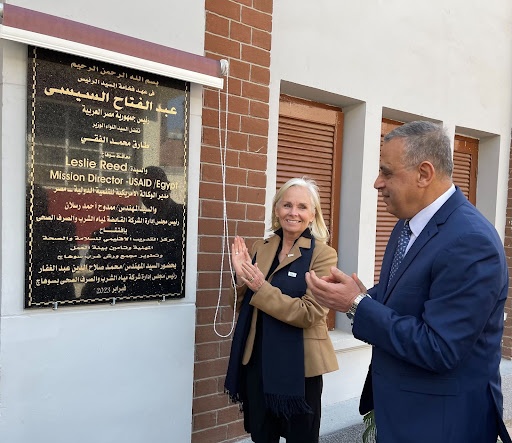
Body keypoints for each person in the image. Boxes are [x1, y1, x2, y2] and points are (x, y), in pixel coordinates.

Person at [306, 121, 512, 443]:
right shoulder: (407, 225)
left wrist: (356, 305)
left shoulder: (472, 242)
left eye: (386, 172)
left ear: (424, 173)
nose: (377, 183)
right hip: (401, 414)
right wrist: (363, 295)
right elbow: (406, 297)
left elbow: (440, 348)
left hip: (441, 425)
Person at [224, 177, 339, 443]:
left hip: (300, 366)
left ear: (313, 215)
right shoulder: (260, 248)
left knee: (301, 437)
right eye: (287, 205)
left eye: (302, 207)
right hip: (258, 359)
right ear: (277, 210)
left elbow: (309, 313)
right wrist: (241, 277)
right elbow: (240, 305)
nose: (293, 212)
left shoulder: (323, 255)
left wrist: (261, 287)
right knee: (262, 436)